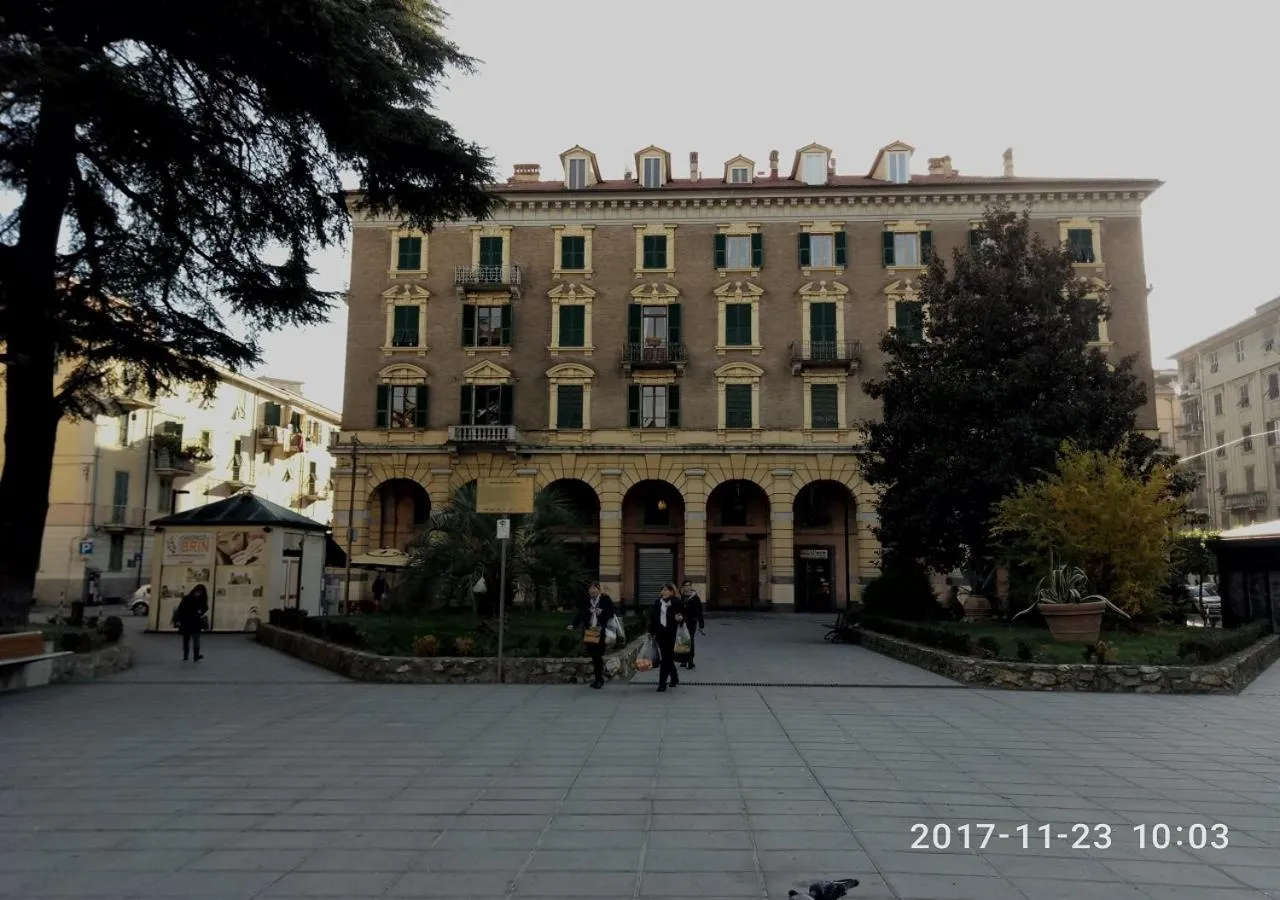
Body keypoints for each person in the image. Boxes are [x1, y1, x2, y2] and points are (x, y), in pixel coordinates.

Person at [568, 581, 615, 689]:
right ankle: (598, 678)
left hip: (601, 630)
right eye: (591, 589)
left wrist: (602, 611)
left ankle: (599, 679)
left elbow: (612, 612)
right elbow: (580, 613)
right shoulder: (586, 601)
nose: (592, 591)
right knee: (594, 655)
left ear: (599, 590)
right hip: (590, 631)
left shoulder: (605, 599)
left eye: (594, 588)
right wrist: (574, 624)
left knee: (598, 655)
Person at [648, 582, 685, 693]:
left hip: (672, 634)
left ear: (671, 592)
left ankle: (662, 683)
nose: (664, 592)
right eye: (662, 590)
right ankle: (674, 677)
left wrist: (680, 618)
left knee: (666, 659)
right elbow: (653, 618)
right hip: (660, 634)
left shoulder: (676, 602)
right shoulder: (657, 603)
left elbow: (682, 616)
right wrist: (651, 632)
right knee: (667, 657)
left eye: (666, 590)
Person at [172, 584, 209, 661]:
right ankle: (189, 655)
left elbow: (205, 608)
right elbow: (180, 610)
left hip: (191, 621)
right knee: (189, 639)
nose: (198, 593)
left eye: (199, 592)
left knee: (193, 639)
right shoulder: (193, 599)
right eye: (197, 592)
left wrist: (201, 611)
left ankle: (193, 656)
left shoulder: (190, 598)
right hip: (189, 621)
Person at [679, 580, 705, 670]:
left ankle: (690, 660)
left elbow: (699, 612)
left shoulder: (695, 598)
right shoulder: (681, 597)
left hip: (691, 622)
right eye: (686, 585)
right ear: (683, 587)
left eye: (689, 585)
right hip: (682, 622)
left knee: (690, 640)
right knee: (683, 640)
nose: (688, 587)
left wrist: (701, 624)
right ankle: (683, 660)